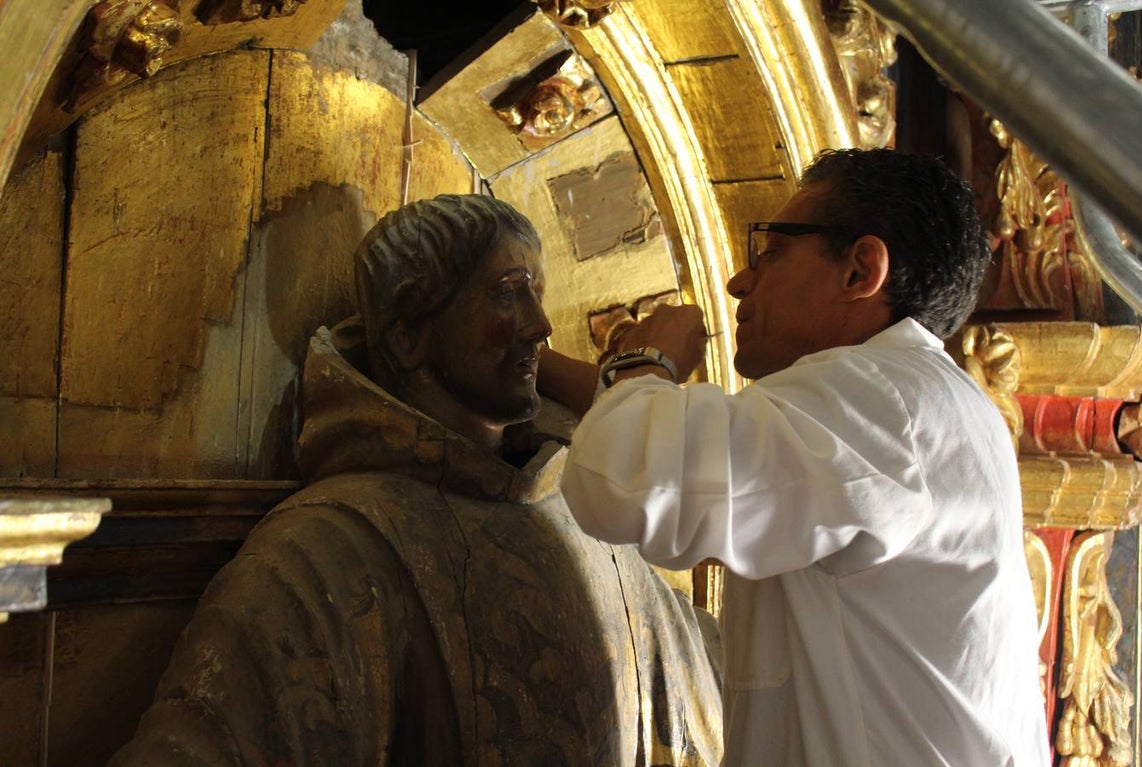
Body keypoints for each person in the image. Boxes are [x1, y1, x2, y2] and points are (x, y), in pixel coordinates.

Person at [111, 194, 723, 766]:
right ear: (407, 335)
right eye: (507, 294)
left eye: (536, 292)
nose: (541, 326)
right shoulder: (327, 549)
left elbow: (721, 682)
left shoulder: (579, 514)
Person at [553, 149, 1051, 765]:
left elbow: (624, 479)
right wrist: (541, 369)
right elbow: (659, 439)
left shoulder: (883, 399)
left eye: (772, 250)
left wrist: (649, 360)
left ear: (859, 271)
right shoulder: (913, 400)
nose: (740, 280)